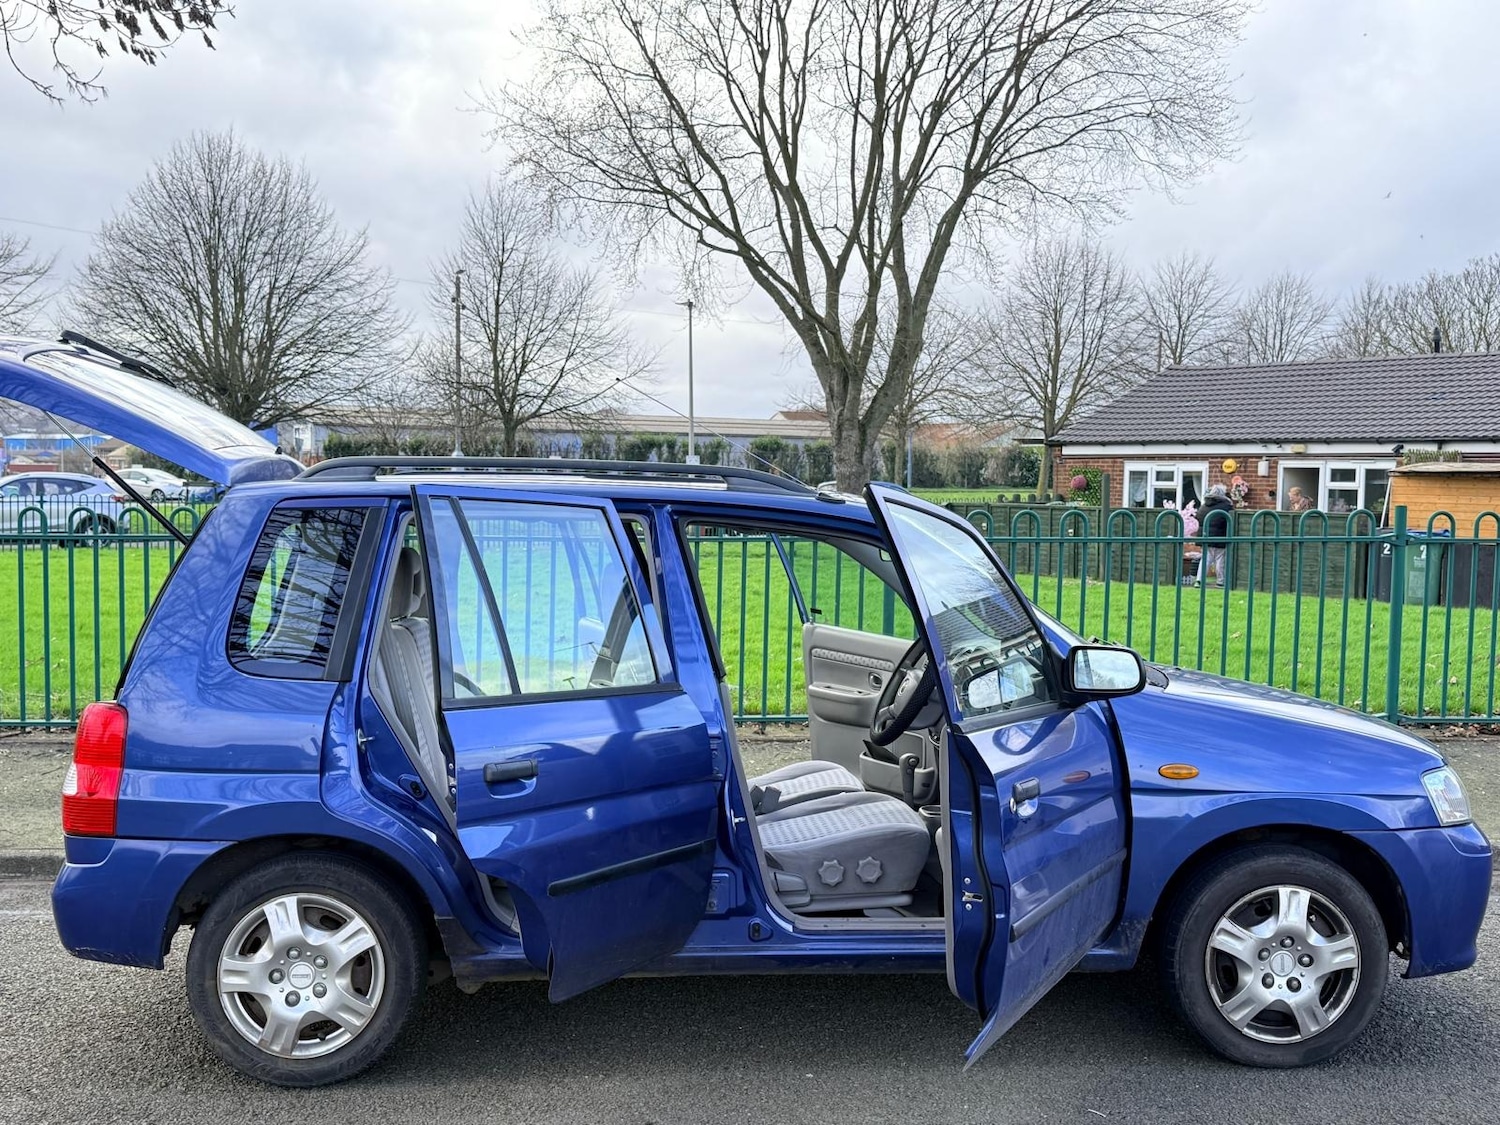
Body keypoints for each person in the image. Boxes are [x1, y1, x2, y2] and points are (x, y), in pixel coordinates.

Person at [1196, 483, 1234, 587]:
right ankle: (1220, 581)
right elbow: (1231, 519)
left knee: (1205, 559)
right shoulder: (1226, 505)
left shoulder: (1204, 505)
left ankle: (1199, 580)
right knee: (1220, 559)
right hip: (1220, 536)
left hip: (1204, 536)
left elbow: (1198, 516)